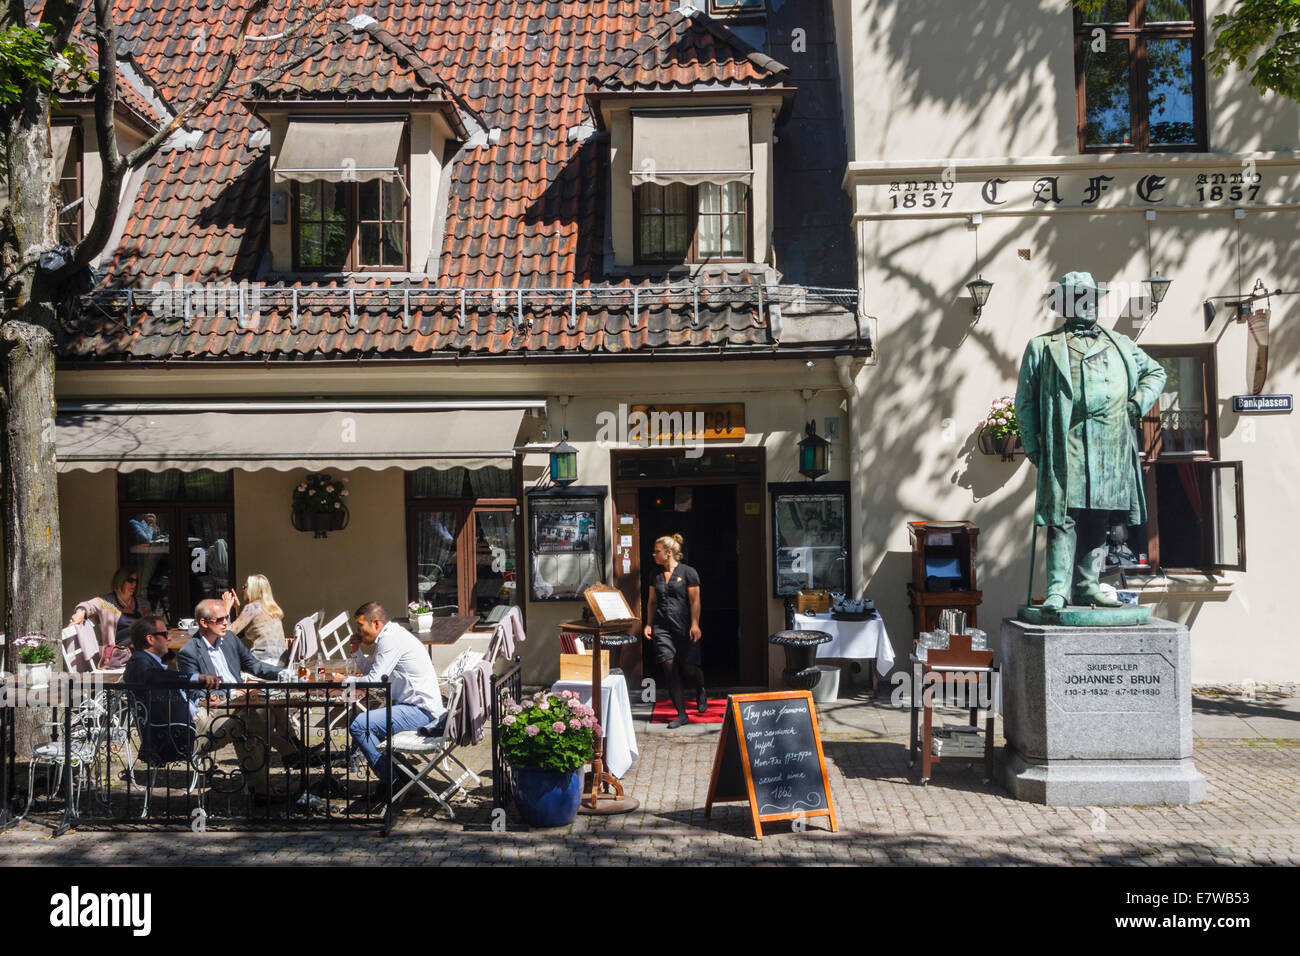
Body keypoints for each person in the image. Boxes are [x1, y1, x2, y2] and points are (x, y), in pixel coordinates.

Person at [1016, 271, 1166, 610]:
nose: (1088, 304)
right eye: (1079, 298)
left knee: (1099, 516)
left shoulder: (1121, 344)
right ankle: (1058, 589)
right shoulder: (1043, 346)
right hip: (1066, 441)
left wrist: (1137, 402)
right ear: (1066, 304)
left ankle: (1087, 585)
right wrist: (1034, 445)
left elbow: (1156, 373)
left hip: (1109, 445)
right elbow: (1024, 402)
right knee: (1062, 516)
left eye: (1091, 297)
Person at [176, 599, 307, 803]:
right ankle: (288, 751)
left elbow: (254, 666)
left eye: (226, 618)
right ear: (203, 623)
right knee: (258, 714)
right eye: (219, 620)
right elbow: (193, 692)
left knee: (265, 708)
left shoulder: (229, 639)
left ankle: (265, 784)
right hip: (216, 712)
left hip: (239, 700)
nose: (226, 623)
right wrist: (206, 697)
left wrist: (286, 674)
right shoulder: (189, 653)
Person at [347, 602, 446, 791]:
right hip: (418, 708)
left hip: (422, 712)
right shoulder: (390, 636)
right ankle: (405, 776)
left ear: (375, 623)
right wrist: (356, 652)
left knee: (359, 724)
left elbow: (374, 681)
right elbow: (376, 672)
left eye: (360, 626)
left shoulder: (390, 640)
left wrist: (343, 681)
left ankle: (391, 781)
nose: (358, 631)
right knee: (370, 726)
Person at [123, 615, 221, 765]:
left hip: (190, 722)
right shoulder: (140, 662)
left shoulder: (146, 662)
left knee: (244, 712)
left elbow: (167, 694)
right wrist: (195, 678)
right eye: (164, 634)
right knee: (246, 717)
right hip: (182, 737)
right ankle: (256, 783)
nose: (169, 639)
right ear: (150, 639)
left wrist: (199, 701)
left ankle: (253, 781)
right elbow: (151, 677)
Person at [642, 534, 705, 729]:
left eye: (657, 551)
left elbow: (695, 601)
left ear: (669, 553)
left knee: (688, 667)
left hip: (684, 625)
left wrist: (695, 624)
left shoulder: (688, 573)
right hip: (662, 627)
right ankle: (681, 713)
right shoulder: (655, 575)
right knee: (668, 666)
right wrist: (649, 624)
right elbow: (652, 601)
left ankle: (700, 689)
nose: (654, 554)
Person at [69, 568, 152, 669]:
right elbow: (88, 605)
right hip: (118, 656)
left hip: (139, 651)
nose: (133, 584)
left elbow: (151, 626)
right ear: (120, 581)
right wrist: (80, 612)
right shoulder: (107, 602)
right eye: (130, 580)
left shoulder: (142, 603)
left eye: (136, 581)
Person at [221, 574, 288, 665]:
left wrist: (226, 608)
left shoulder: (253, 607)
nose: (243, 589)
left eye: (244, 587)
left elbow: (227, 633)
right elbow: (247, 624)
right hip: (279, 662)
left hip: (262, 662)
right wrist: (237, 607)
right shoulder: (271, 608)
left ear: (251, 590)